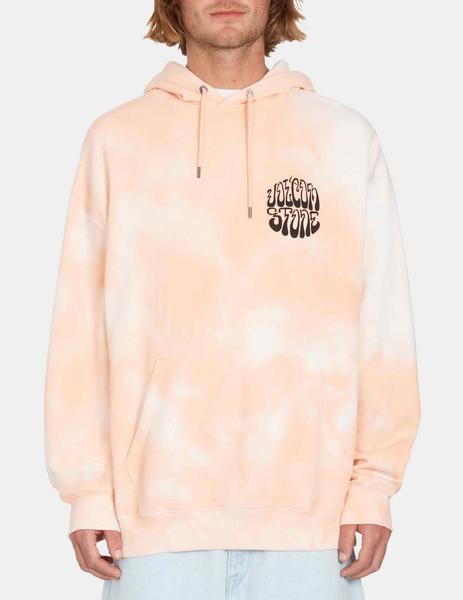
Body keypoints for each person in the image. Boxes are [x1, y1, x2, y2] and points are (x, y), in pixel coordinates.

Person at [43, 1, 421, 598]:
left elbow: (384, 325)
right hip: (152, 524)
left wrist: (373, 486)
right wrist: (87, 491)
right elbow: (79, 330)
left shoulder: (343, 139)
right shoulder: (117, 140)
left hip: (313, 525)